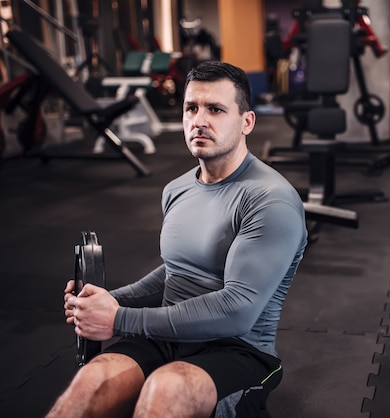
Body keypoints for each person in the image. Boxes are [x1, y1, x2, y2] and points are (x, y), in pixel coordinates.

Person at [47, 60, 308, 418]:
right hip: (166, 338)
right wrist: (105, 302)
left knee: (165, 390)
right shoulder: (177, 189)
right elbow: (175, 272)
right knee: (87, 386)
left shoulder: (269, 200)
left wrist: (118, 318)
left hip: (237, 350)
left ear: (247, 121)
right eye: (191, 108)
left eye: (215, 109)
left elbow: (238, 310)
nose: (199, 120)